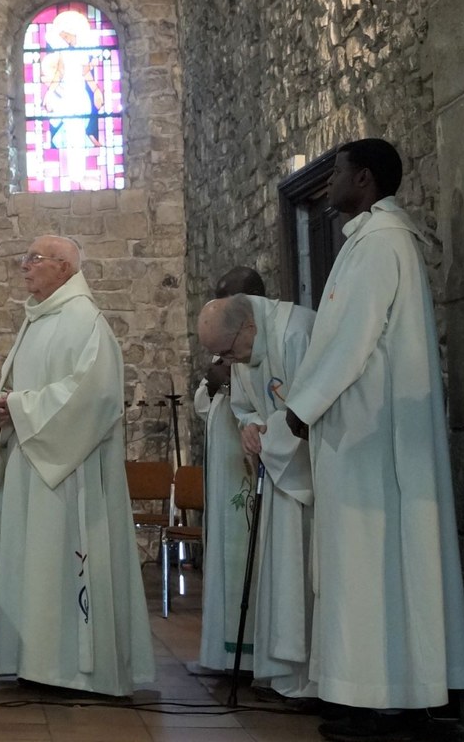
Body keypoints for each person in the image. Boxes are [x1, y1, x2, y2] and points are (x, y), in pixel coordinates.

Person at [280, 139, 464, 739]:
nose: (330, 181)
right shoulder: (371, 240)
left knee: (372, 564)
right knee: (369, 565)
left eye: (337, 171)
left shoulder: (380, 243)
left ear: (363, 179)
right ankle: (373, 691)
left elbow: (350, 339)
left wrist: (301, 408)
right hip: (363, 432)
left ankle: (380, 699)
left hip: (373, 440)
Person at [0, 235, 153, 695]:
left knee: (62, 563)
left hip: (71, 472)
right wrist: (0, 409)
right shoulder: (36, 320)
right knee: (33, 566)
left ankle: (73, 671)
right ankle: (34, 663)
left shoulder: (84, 320)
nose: (24, 266)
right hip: (32, 466)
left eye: (34, 259)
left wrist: (19, 407)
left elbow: (95, 397)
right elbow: (16, 390)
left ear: (64, 267)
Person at [197, 291, 316, 700]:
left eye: (229, 352)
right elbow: (246, 406)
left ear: (248, 326)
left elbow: (313, 408)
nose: (229, 362)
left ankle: (310, 679)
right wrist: (249, 426)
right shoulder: (245, 348)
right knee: (280, 576)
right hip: (278, 470)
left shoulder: (296, 334)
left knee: (304, 578)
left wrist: (272, 435)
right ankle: (282, 674)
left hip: (306, 480)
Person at [190, 265, 266, 676]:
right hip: (223, 468)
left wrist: (231, 383)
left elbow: (269, 401)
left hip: (248, 462)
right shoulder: (224, 348)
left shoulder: (263, 346)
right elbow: (204, 407)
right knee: (223, 553)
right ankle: (222, 652)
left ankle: (252, 654)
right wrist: (213, 381)